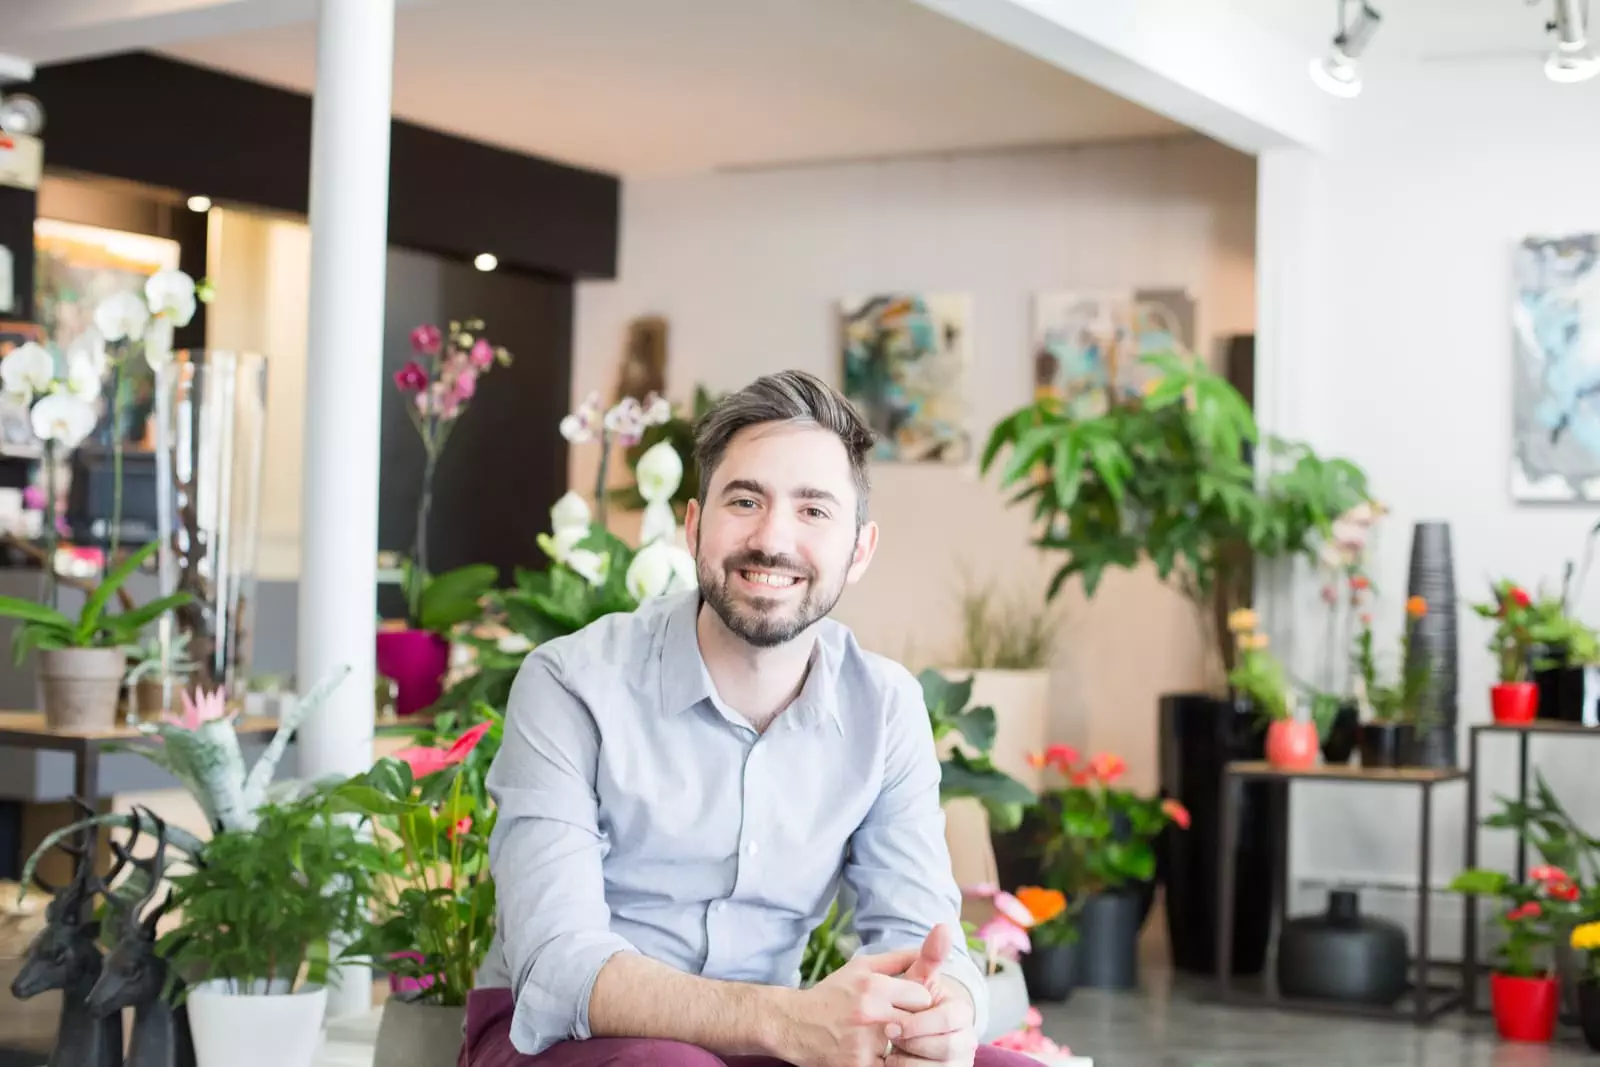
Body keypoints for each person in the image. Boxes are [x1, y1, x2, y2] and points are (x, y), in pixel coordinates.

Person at [466, 370, 1043, 1067]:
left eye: (814, 510)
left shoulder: (885, 706)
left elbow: (919, 935)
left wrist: (946, 1009)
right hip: (564, 1040)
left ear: (858, 549)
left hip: (773, 1041)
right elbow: (557, 964)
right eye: (745, 500)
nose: (772, 538)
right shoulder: (570, 683)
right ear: (694, 524)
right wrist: (788, 1019)